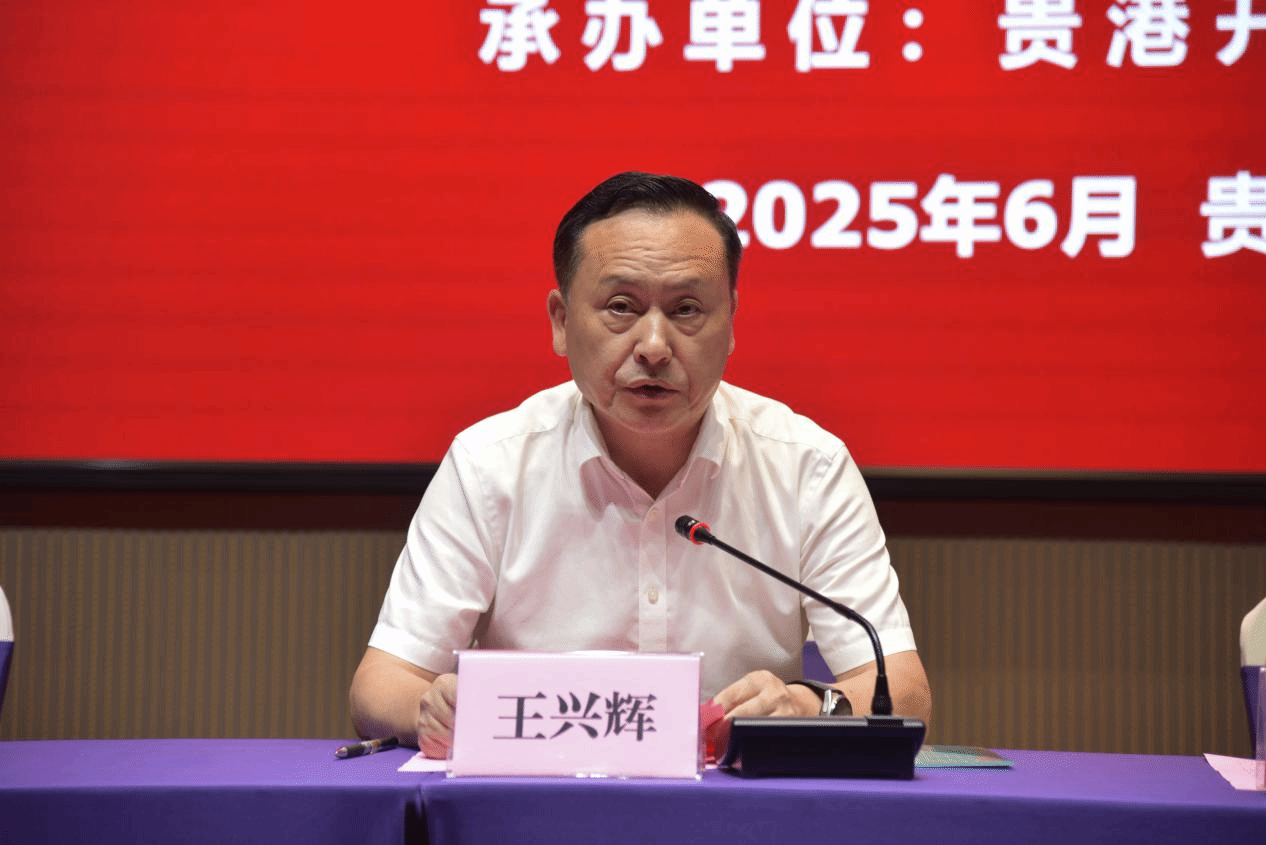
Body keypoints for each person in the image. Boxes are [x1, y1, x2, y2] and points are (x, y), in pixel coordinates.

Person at [349, 172, 931, 758]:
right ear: (561, 321)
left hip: (735, 800)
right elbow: (382, 684)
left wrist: (809, 708)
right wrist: (433, 708)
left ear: (731, 322)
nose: (654, 345)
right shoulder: (489, 464)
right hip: (539, 792)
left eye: (687, 309)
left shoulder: (808, 467)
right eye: (621, 307)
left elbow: (902, 691)